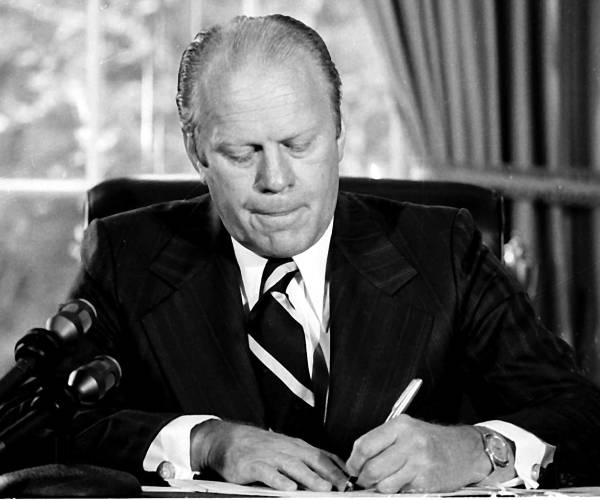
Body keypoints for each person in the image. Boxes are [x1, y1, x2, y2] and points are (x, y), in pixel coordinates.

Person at [60, 14, 600, 492]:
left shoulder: (443, 249)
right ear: (197, 152)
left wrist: (479, 450)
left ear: (340, 135)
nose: (276, 181)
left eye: (299, 145)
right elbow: (35, 423)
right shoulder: (126, 254)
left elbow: (583, 415)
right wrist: (204, 442)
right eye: (242, 153)